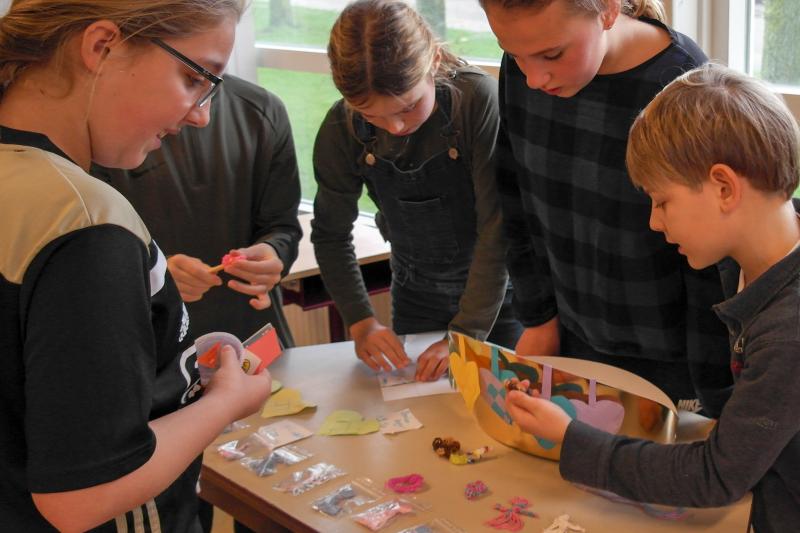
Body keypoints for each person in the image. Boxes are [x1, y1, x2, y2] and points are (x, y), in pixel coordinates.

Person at [0, 2, 272, 531]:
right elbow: (83, 496)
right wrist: (226, 402)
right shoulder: (83, 221)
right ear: (102, 46)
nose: (202, 114)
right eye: (194, 77)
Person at [506, 63, 800, 533]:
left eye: (662, 201)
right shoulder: (751, 260)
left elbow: (715, 476)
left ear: (724, 187)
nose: (654, 223)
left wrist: (571, 439)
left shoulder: (789, 333)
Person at [481, 0, 732, 415]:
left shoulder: (685, 86)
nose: (534, 78)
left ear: (609, 10)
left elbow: (711, 267)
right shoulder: (525, 71)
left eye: (552, 54)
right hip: (567, 336)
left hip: (670, 363)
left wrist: (714, 397)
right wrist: (539, 317)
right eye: (514, 55)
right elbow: (515, 199)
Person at [311, 0, 522, 381]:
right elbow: (330, 235)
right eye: (371, 115)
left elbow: (498, 227)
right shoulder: (340, 129)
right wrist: (361, 321)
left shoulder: (477, 101)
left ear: (435, 61)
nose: (394, 127)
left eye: (408, 107)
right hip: (415, 293)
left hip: (498, 297)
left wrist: (466, 333)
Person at [93, 74, 302, 349]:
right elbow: (95, 254)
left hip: (254, 339)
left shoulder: (262, 110)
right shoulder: (106, 122)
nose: (200, 116)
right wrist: (155, 274)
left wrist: (274, 254)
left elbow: (283, 227)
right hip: (157, 348)